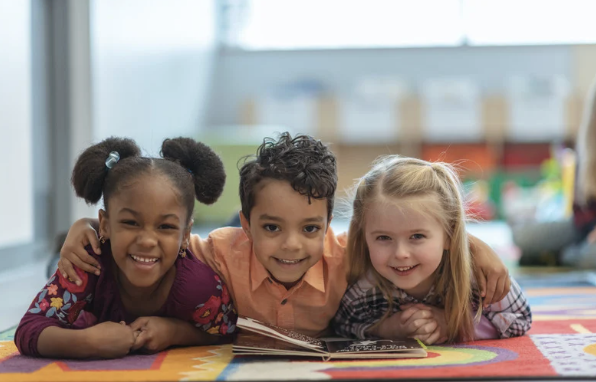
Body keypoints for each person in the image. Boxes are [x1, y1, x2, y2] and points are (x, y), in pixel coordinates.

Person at [56, 133, 511, 337]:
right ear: (246, 224)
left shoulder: (350, 257)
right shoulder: (218, 251)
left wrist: (472, 245)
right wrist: (83, 228)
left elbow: (405, 241)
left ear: (330, 225)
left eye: (310, 228)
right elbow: (157, 239)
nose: (291, 245)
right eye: (271, 228)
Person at [15, 137, 237, 358]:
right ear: (105, 224)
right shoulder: (88, 262)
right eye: (131, 222)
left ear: (186, 235)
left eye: (166, 226)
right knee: (60, 264)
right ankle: (61, 249)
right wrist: (85, 342)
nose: (147, 241)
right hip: (85, 269)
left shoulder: (199, 286)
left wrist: (175, 332)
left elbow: (227, 330)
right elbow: (29, 328)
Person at [334, 156, 531, 344]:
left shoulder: (479, 277)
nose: (401, 253)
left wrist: (456, 325)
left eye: (417, 236)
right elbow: (342, 325)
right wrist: (386, 329)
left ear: (449, 235)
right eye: (383, 238)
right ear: (364, 237)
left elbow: (520, 318)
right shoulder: (365, 287)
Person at [513, 77, 596, 268]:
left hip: (587, 238)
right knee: (521, 236)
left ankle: (559, 256)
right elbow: (580, 212)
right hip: (580, 228)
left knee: (587, 258)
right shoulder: (587, 154)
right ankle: (560, 254)